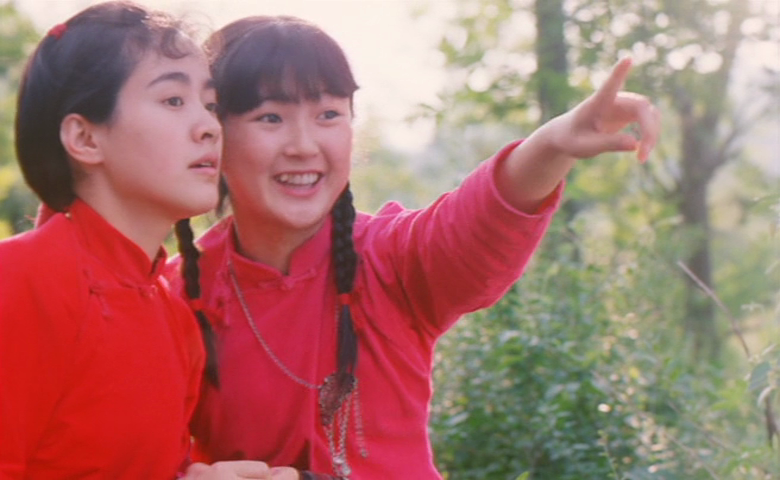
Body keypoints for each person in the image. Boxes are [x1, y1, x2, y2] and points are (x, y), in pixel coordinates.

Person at [167, 15, 660, 479]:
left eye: (329, 115)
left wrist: (553, 145)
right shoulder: (176, 297)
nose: (303, 145)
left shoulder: (390, 258)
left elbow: (476, 221)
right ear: (214, 134)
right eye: (270, 117)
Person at [0, 2, 290, 478]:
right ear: (85, 139)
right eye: (173, 100)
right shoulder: (19, 282)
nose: (210, 127)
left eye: (209, 104)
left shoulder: (173, 314)